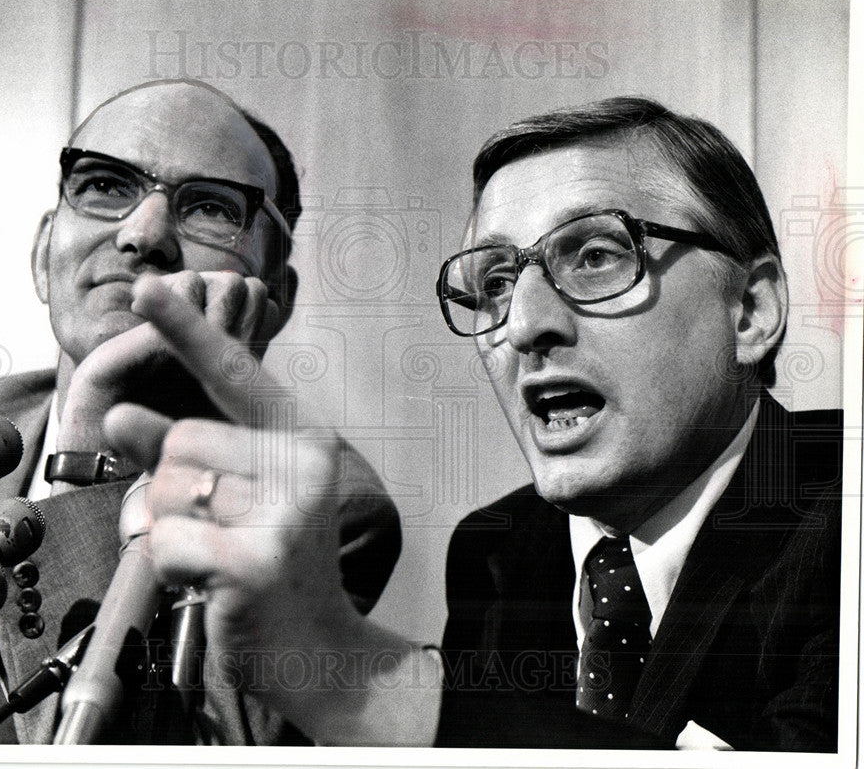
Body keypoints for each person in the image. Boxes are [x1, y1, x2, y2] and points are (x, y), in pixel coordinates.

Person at [106, 97, 842, 751]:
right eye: (493, 282)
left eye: (594, 256)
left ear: (751, 312)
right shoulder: (498, 552)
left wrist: (361, 684)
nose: (524, 324)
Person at [0, 79, 401, 744]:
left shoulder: (325, 508)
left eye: (211, 207)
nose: (143, 234)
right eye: (104, 184)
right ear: (44, 254)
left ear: (275, 294)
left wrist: (93, 444)